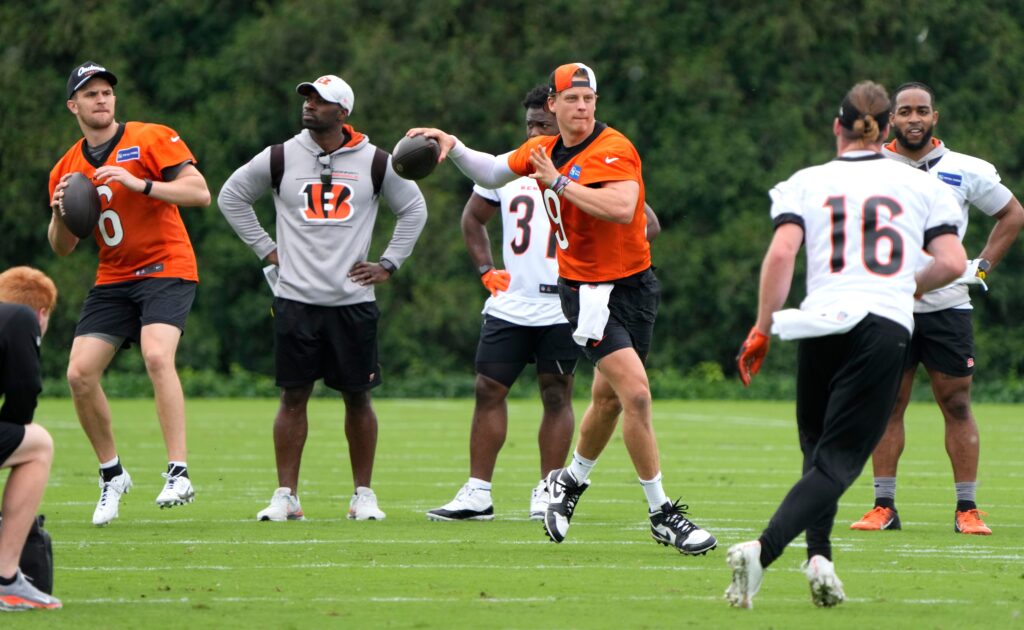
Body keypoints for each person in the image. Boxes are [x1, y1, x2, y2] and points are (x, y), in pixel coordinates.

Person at [410, 63, 714, 555]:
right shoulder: (540, 151)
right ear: (551, 105)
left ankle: (567, 483)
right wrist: (453, 144)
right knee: (636, 396)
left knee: (609, 400)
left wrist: (556, 183)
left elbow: (621, 208)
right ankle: (663, 515)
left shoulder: (614, 148)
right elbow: (490, 171)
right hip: (587, 293)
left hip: (635, 288)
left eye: (588, 99)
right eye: (570, 99)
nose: (581, 107)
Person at [728, 81, 967, 609]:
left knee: (815, 449)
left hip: (820, 320)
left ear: (836, 127)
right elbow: (952, 263)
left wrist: (763, 326)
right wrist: (906, 286)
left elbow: (781, 255)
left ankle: (819, 558)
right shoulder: (922, 186)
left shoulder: (806, 181)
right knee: (837, 463)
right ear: (885, 131)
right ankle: (761, 552)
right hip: (880, 323)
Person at [427, 85, 661, 522]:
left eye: (542, 126)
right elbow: (475, 210)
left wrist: (607, 259)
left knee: (561, 393)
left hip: (568, 299)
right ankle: (478, 490)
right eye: (530, 125)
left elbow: (642, 219)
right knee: (488, 388)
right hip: (513, 300)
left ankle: (550, 486)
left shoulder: (591, 163)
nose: (535, 133)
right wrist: (485, 270)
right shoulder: (519, 164)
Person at [218, 74, 428, 522]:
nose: (310, 104)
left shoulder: (376, 161)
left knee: (358, 398)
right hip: (295, 299)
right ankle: (286, 496)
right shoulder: (279, 156)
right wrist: (267, 250)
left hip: (353, 302)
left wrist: (388, 263)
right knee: (293, 397)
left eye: (321, 100)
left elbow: (414, 208)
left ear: (343, 112)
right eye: (308, 97)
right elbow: (231, 196)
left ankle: (363, 495)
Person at [850, 82, 1024, 536]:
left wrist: (982, 266)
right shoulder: (867, 167)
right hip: (887, 305)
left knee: (958, 402)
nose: (913, 119)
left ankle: (967, 509)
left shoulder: (966, 169)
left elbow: (1013, 214)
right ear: (891, 119)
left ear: (934, 117)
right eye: (904, 111)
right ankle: (883, 507)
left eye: (921, 111)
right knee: (888, 404)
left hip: (947, 305)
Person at [48, 61, 211, 526]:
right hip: (115, 278)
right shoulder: (67, 166)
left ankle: (178, 471)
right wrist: (60, 212)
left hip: (166, 266)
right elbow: (62, 247)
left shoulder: (150, 137)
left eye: (107, 92)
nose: (101, 99)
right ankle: (111, 473)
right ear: (73, 106)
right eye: (91, 93)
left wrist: (138, 183)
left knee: (157, 356)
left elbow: (200, 193)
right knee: (79, 374)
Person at [0, 267, 62, 611]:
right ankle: (6, 579)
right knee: (37, 443)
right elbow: (25, 393)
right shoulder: (22, 318)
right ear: (43, 313)